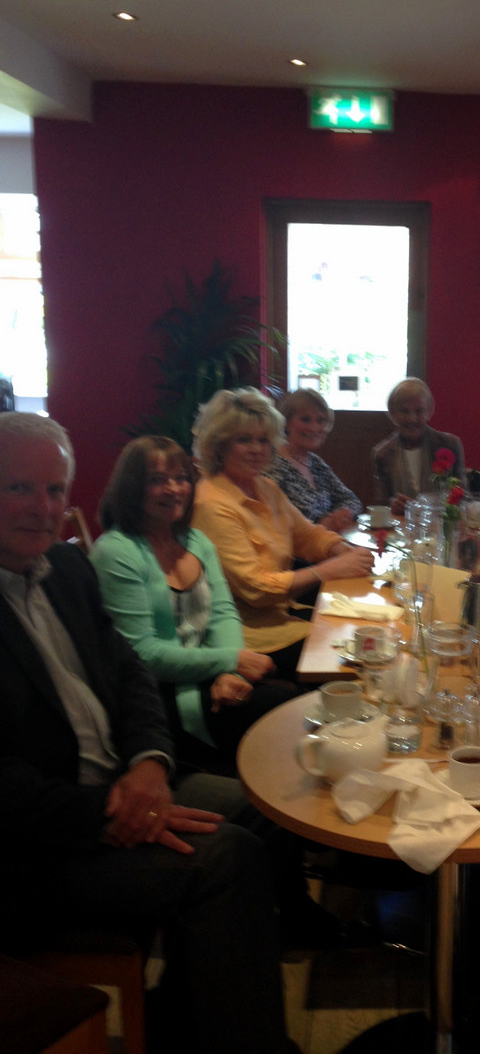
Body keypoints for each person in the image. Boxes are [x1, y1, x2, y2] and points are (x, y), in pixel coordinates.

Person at [0, 412, 300, 1054]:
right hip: (38, 847)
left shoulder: (65, 569)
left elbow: (129, 672)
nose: (42, 508)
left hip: (123, 782)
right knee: (227, 861)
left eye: (54, 490)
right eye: (18, 488)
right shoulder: (102, 556)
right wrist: (110, 812)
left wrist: (150, 763)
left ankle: (189, 1015)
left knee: (271, 806)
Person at [91, 436, 299, 765]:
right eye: (157, 480)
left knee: (292, 711)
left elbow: (223, 613)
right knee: (287, 716)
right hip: (154, 700)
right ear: (131, 487)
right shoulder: (115, 551)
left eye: (181, 478)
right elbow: (141, 654)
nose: (173, 489)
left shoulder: (195, 540)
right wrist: (230, 661)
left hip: (208, 675)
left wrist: (232, 675)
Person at [192, 388, 373, 675]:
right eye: (244, 440)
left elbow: (309, 535)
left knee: (371, 634)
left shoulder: (265, 487)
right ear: (219, 445)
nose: (257, 449)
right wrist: (332, 569)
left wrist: (343, 550)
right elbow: (257, 589)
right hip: (250, 638)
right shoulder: (211, 503)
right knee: (358, 660)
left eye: (264, 440)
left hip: (284, 614)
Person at [270, 387, 361, 530]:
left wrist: (341, 515)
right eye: (305, 419)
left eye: (321, 420)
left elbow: (351, 499)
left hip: (329, 540)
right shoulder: (273, 464)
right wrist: (322, 524)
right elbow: (275, 523)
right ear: (286, 422)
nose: (314, 428)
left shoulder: (315, 462)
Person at [371, 377, 465, 515]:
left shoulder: (450, 444)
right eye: (404, 411)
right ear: (393, 414)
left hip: (442, 523)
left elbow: (464, 495)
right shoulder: (382, 453)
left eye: (419, 411)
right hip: (403, 524)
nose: (412, 419)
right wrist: (392, 504)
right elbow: (381, 504)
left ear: (429, 411)